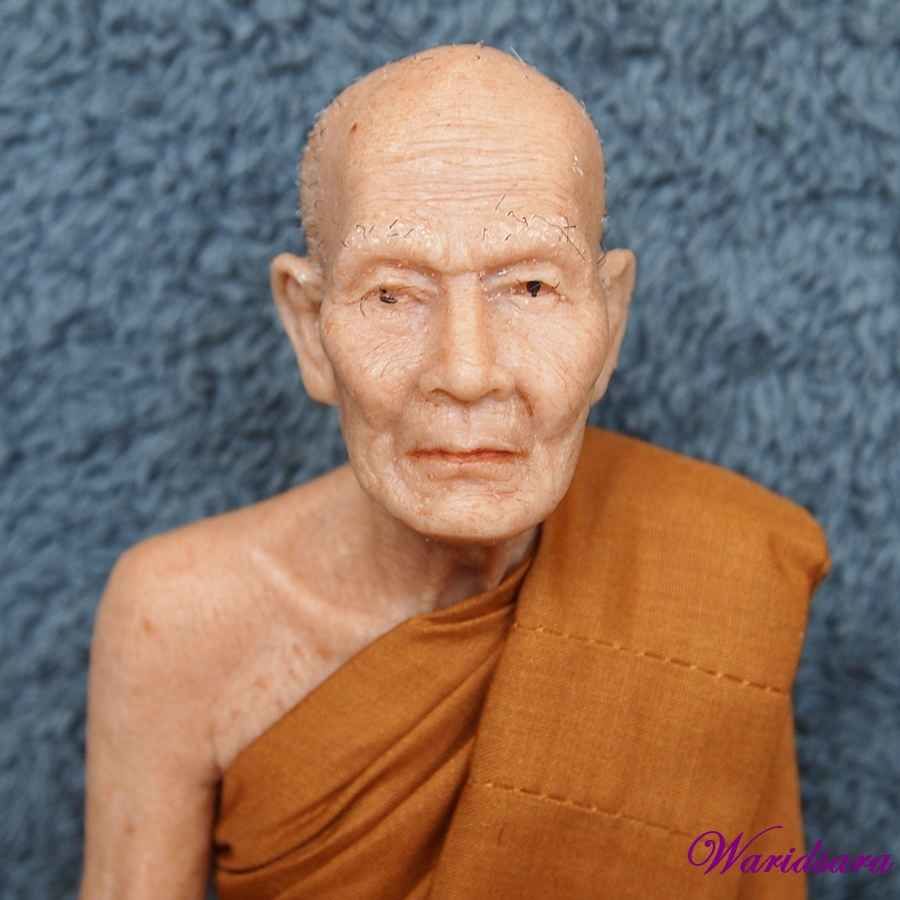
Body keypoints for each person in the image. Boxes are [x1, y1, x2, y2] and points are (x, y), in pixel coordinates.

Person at [78, 44, 830, 899]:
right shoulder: (179, 620)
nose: (467, 372)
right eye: (392, 294)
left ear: (611, 320)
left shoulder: (720, 572)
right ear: (309, 327)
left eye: (532, 288)